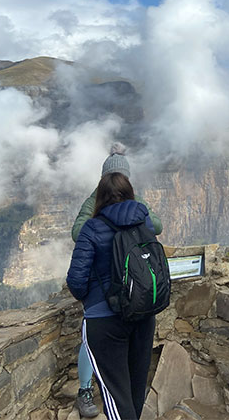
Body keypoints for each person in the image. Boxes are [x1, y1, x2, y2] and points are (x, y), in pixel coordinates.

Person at [70, 143, 162, 418]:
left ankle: (85, 390)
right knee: (134, 389)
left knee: (114, 395)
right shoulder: (141, 218)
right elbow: (156, 228)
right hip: (142, 312)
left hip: (104, 318)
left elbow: (76, 281)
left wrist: (93, 299)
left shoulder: (92, 225)